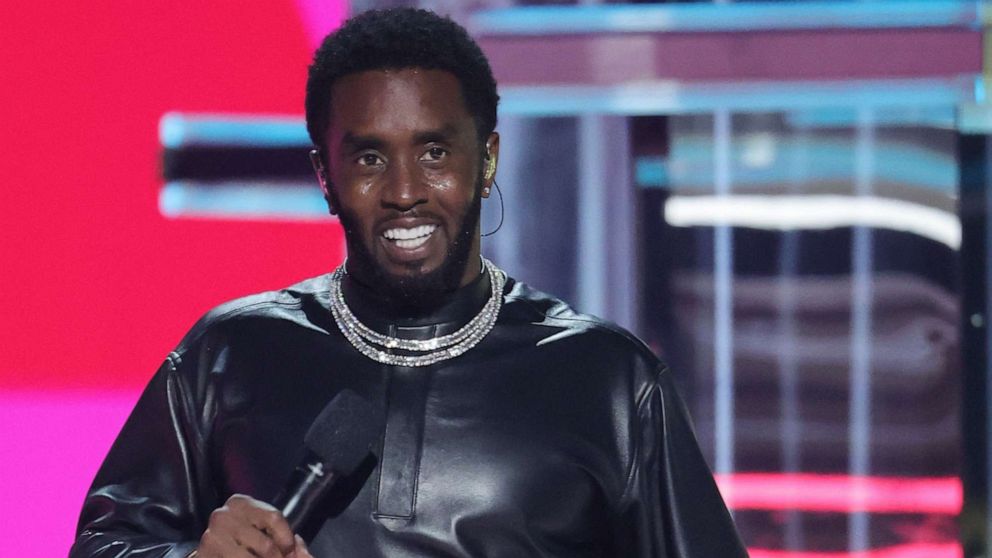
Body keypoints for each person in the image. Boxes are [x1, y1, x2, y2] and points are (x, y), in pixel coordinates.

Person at [71, 8, 747, 558]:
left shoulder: (607, 379)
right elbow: (104, 546)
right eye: (369, 157)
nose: (403, 192)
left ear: (486, 160)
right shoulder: (229, 354)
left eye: (433, 152)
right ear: (325, 176)